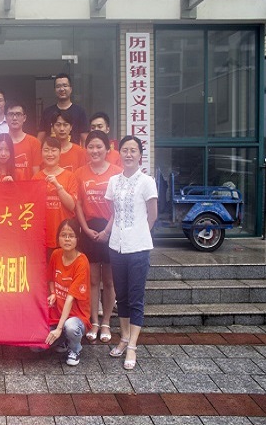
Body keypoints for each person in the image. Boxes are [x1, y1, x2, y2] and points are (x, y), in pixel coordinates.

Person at [105, 135, 158, 370]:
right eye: (125, 150)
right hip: (116, 246)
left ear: (140, 155)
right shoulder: (113, 181)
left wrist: (138, 235)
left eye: (133, 150)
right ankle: (124, 337)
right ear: (120, 154)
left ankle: (133, 346)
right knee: (122, 296)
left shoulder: (147, 182)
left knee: (136, 297)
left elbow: (152, 215)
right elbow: (113, 211)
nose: (128, 154)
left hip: (138, 248)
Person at [74, 130, 122, 343]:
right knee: (92, 280)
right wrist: (85, 229)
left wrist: (107, 231)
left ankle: (106, 322)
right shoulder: (80, 173)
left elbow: (119, 205)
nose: (95, 150)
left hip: (111, 228)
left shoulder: (117, 173)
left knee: (109, 281)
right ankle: (94, 321)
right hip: (89, 230)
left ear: (107, 149)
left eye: (99, 146)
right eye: (91, 147)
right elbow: (78, 204)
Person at [45, 218, 91, 366]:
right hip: (57, 315)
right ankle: (63, 340)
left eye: (71, 235)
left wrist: (59, 329)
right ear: (58, 238)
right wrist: (53, 293)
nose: (67, 239)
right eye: (63, 235)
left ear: (77, 239)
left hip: (76, 317)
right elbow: (51, 279)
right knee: (36, 347)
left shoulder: (82, 262)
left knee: (70, 327)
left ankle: (75, 349)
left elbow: (70, 298)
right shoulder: (56, 254)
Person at [32, 136, 78, 260]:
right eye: (46, 150)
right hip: (43, 237)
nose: (50, 154)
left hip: (64, 236)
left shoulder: (70, 176)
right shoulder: (36, 178)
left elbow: (71, 205)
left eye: (53, 150)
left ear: (60, 152)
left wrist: (58, 186)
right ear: (41, 153)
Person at [37, 73, 88, 146]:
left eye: (65, 86)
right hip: (52, 151)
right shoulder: (47, 112)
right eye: (58, 86)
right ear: (55, 90)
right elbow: (40, 139)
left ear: (70, 89)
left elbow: (84, 140)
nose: (61, 89)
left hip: (73, 152)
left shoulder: (80, 112)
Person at [6, 102, 41, 180]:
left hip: (28, 187)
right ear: (6, 118)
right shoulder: (0, 142)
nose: (14, 118)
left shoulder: (34, 142)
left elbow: (36, 174)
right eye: (11, 114)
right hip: (5, 186)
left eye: (18, 114)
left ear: (24, 118)